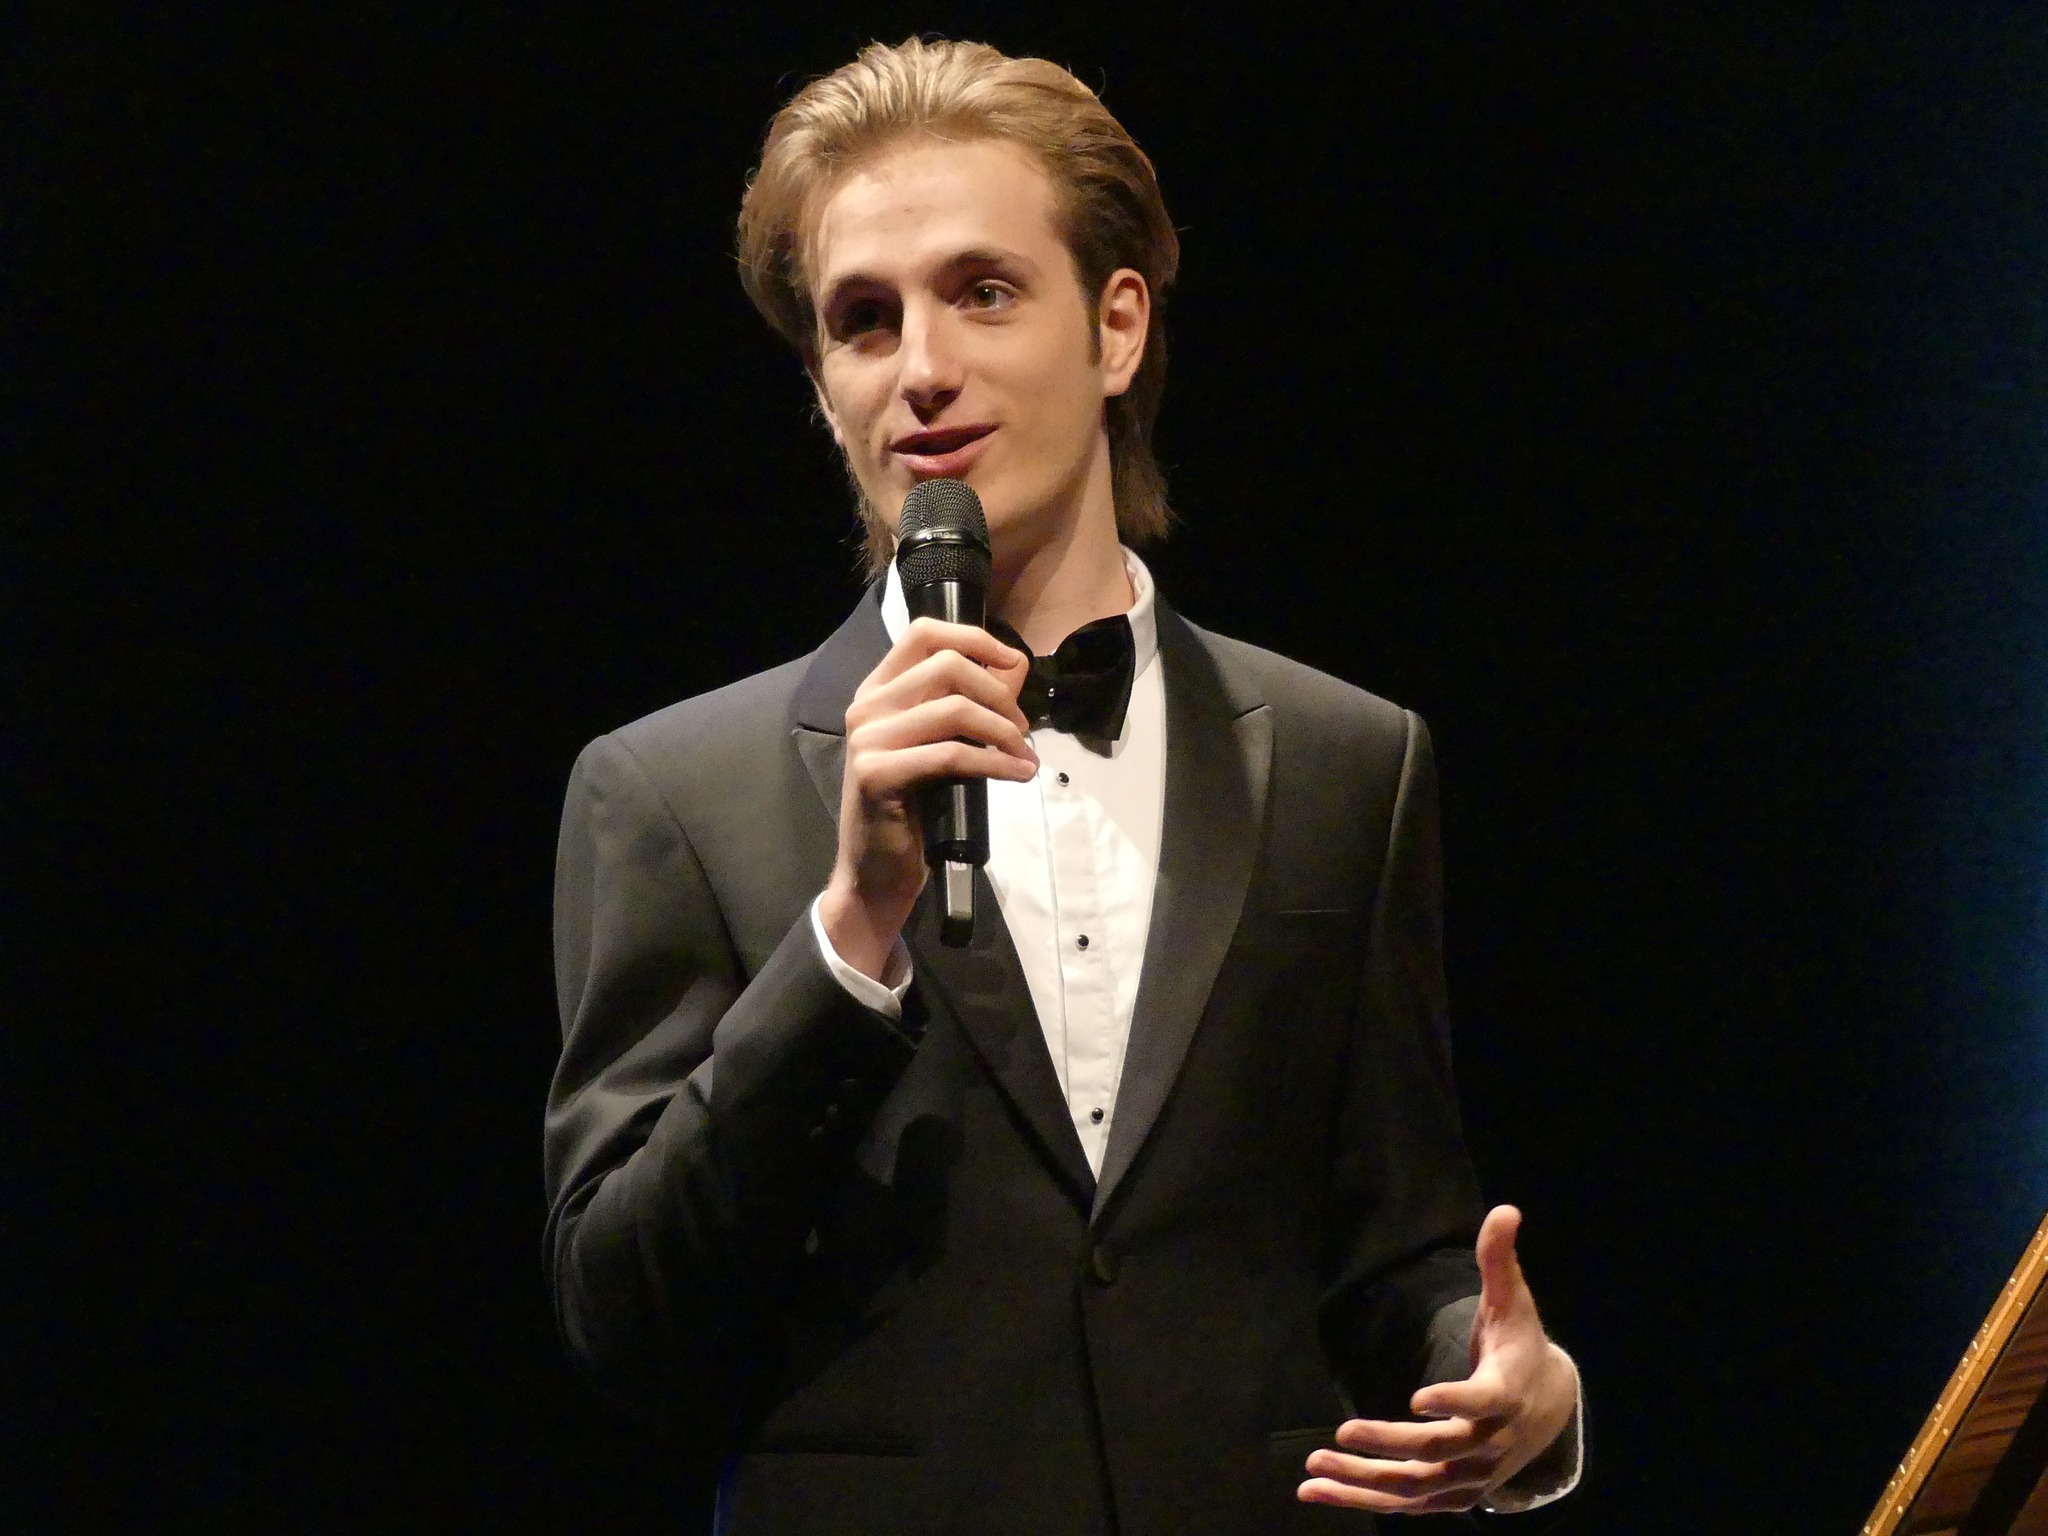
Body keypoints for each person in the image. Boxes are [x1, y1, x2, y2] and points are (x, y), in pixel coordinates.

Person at [545, 37, 1582, 1534]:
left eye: (982, 290)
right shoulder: (669, 792)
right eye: (862, 319)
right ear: (822, 384)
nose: (922, 368)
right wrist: (849, 936)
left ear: (1116, 326)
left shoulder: (1347, 760)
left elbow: (1397, 1248)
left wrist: (1504, 1388)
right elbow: (625, 1320)